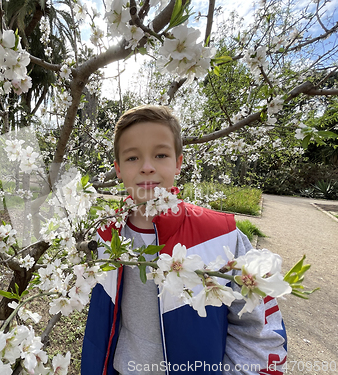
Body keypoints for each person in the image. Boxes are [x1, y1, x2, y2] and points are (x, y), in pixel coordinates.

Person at [81, 105, 287, 375]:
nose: (146, 167)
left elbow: (259, 330)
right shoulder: (105, 235)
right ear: (118, 169)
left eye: (161, 155)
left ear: (178, 162)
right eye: (132, 158)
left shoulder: (222, 235)